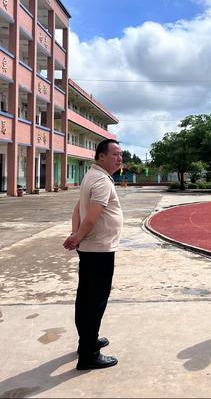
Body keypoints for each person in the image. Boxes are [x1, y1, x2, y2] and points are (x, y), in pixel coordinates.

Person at [63, 139, 124, 370]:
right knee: (95, 302)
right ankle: (89, 354)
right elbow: (92, 215)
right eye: (115, 154)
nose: (120, 159)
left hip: (91, 248)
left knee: (85, 298)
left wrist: (76, 233)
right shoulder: (101, 180)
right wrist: (77, 236)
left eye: (121, 155)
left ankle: (86, 341)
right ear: (100, 157)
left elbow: (79, 207)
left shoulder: (91, 176)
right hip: (99, 249)